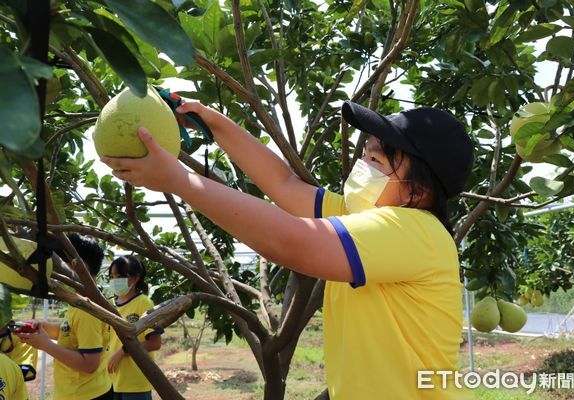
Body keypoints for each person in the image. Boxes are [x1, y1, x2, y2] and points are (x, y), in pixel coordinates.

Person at [101, 99, 475, 399]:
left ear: (418, 191)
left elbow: (291, 240)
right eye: (365, 153)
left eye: (376, 160)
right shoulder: (358, 214)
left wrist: (179, 180)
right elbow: (282, 183)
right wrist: (214, 123)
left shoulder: (415, 231)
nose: (363, 165)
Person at [17, 233, 113, 400]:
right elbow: (73, 335)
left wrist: (46, 345)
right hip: (85, 392)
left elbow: (90, 364)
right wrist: (45, 326)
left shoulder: (86, 309)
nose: (55, 270)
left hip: (84, 395)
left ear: (79, 266)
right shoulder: (81, 300)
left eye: (61, 263)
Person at [107, 255, 162, 400]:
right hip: (110, 381)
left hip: (136, 382)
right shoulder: (109, 304)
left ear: (135, 277)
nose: (114, 281)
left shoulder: (144, 303)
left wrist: (123, 351)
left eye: (119, 276)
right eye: (111, 277)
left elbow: (155, 343)